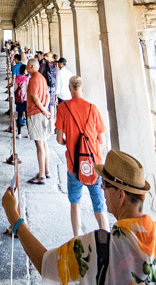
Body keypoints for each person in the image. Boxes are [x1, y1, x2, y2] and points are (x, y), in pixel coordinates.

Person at [2, 149, 156, 284]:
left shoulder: (96, 246)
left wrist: (14, 217)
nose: (102, 190)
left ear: (120, 195)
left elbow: (45, 264)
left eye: (105, 184)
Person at [56, 76, 108, 237]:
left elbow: (59, 139)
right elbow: (101, 139)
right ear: (82, 89)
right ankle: (106, 238)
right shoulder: (93, 109)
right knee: (99, 206)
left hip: (74, 163)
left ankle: (77, 238)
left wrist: (69, 141)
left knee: (75, 203)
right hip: (95, 164)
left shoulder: (63, 108)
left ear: (70, 89)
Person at [26, 58, 51, 184]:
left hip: (36, 114)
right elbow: (47, 95)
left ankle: (41, 176)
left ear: (31, 66)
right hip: (41, 112)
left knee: (39, 144)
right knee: (44, 142)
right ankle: (46, 170)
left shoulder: (33, 79)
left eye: (27, 65)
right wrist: (45, 108)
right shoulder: (41, 77)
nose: (26, 67)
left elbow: (35, 98)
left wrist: (43, 110)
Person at [14, 63, 29, 137]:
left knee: (19, 115)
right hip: (26, 99)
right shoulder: (27, 79)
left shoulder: (17, 78)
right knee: (27, 116)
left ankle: (19, 133)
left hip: (19, 99)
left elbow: (15, 89)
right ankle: (29, 133)